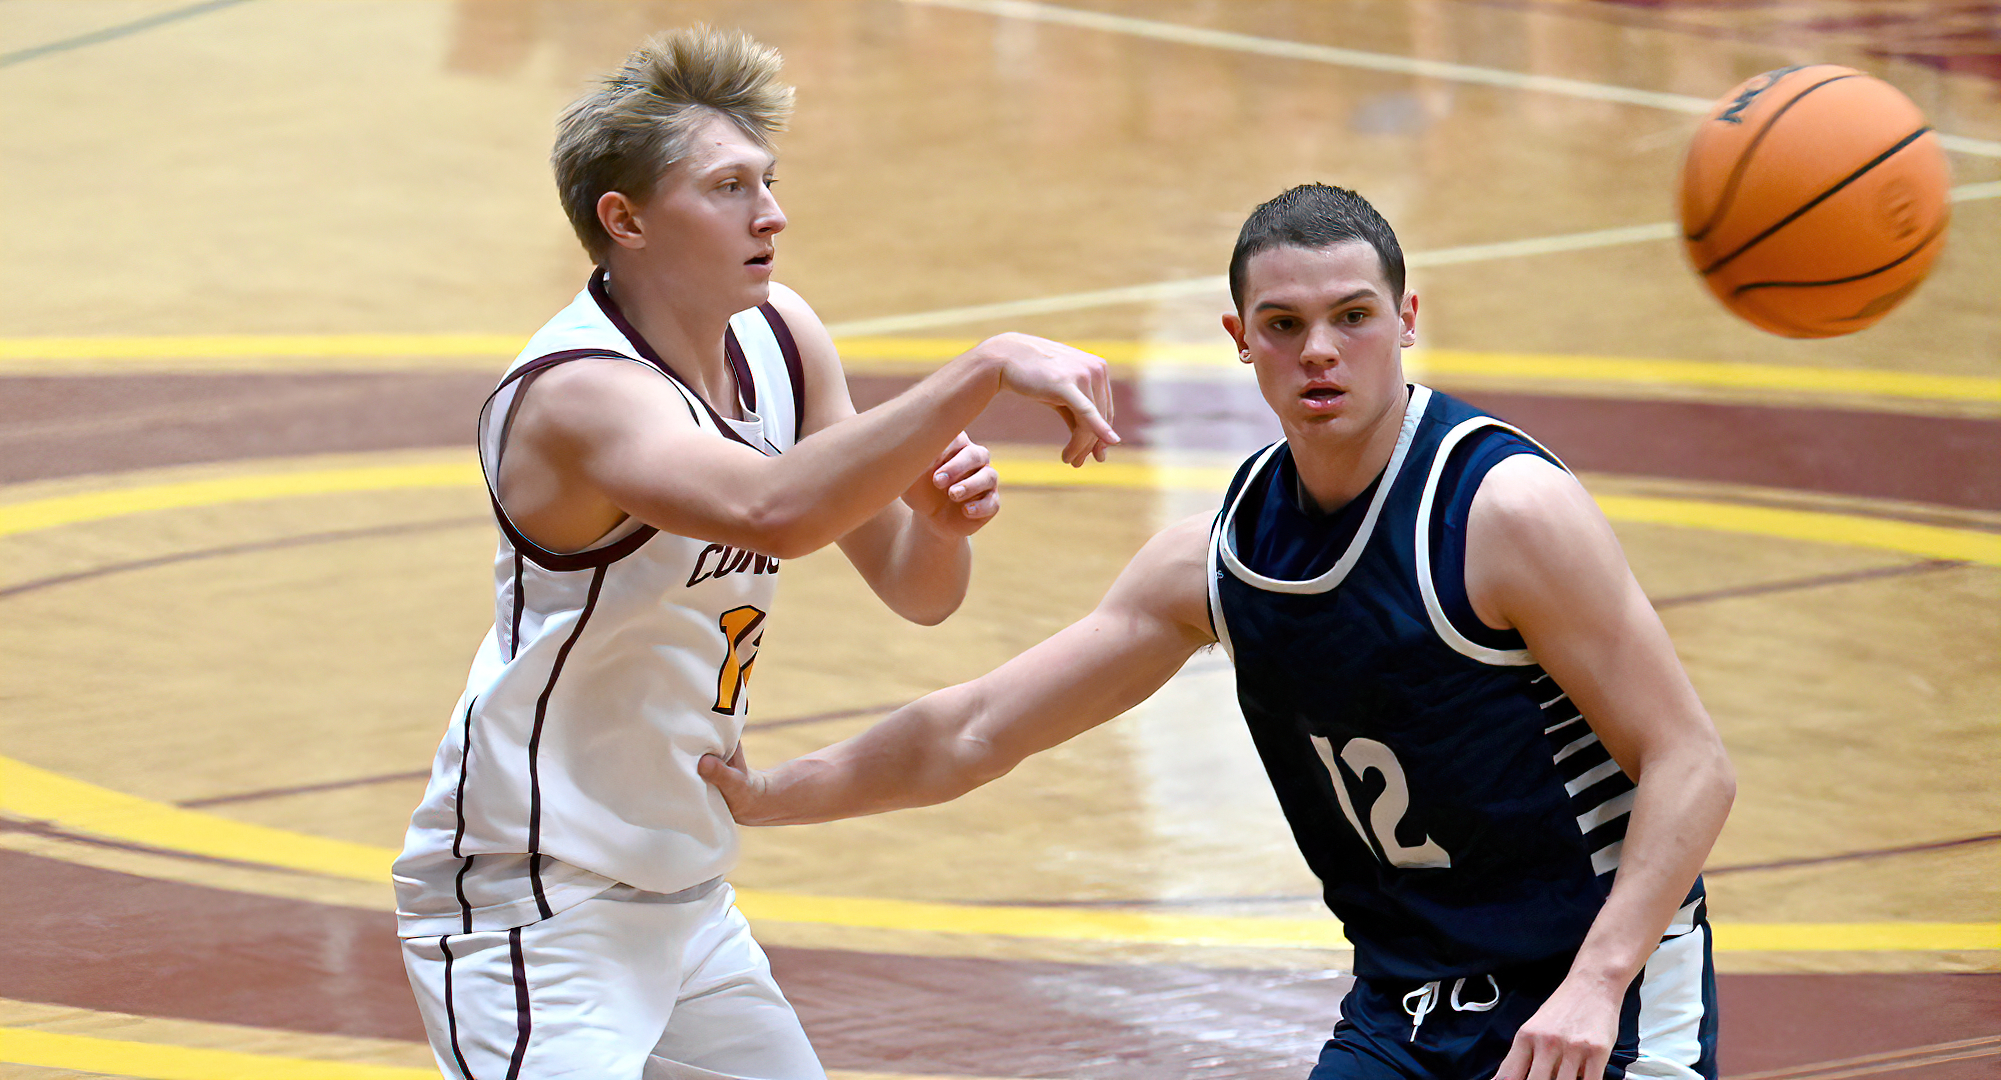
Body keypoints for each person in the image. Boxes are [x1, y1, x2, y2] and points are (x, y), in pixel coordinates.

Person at [701, 184, 1737, 1080]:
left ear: (1409, 318)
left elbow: (1692, 761)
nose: (1320, 350)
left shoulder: (1504, 513)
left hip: (1594, 990)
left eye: (1353, 316)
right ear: (1238, 340)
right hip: (1404, 1007)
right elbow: (978, 729)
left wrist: (1598, 985)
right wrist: (767, 796)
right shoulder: (1219, 556)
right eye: (1282, 324)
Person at [392, 26, 1118, 1080]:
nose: (771, 213)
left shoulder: (780, 335)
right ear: (626, 218)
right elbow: (779, 512)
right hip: (532, 896)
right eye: (729, 186)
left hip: (683, 885)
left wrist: (945, 528)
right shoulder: (582, 394)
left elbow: (919, 592)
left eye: (768, 182)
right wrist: (986, 367)